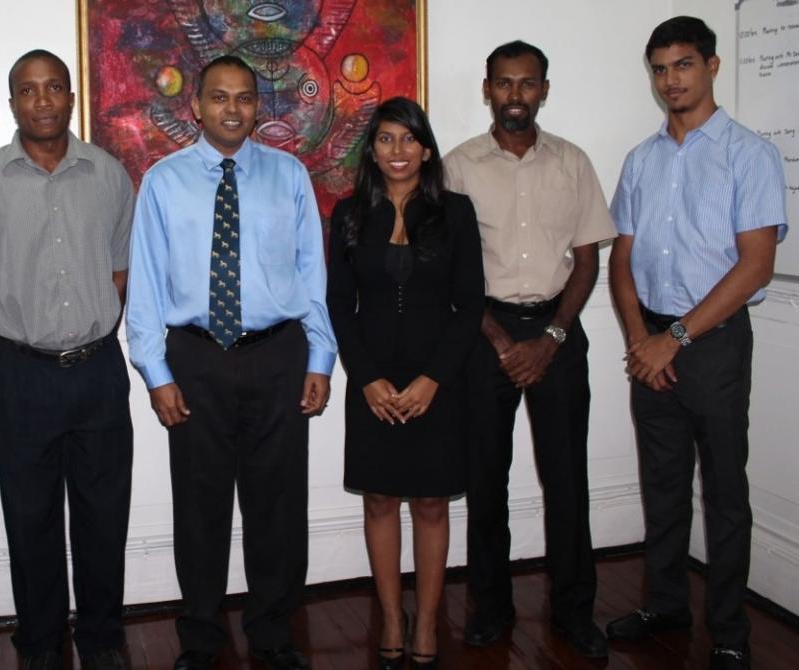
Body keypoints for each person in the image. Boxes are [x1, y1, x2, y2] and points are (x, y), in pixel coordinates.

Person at [125, 55, 337, 670]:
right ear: (197, 105)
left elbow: (311, 275)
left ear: (258, 106)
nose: (233, 109)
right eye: (219, 97)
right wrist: (156, 372)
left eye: (245, 98)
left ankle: (272, 634)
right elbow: (145, 287)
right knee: (200, 507)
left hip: (277, 355)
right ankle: (200, 639)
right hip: (194, 358)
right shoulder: (163, 182)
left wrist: (320, 357)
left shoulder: (289, 175)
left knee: (277, 505)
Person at [0, 49, 134, 670]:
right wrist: (8, 340)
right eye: (29, 90)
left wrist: (92, 325)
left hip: (100, 372)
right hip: (24, 378)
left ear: (71, 98)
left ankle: (102, 639)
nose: (43, 100)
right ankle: (41, 643)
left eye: (54, 88)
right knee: (31, 518)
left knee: (104, 518)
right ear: (13, 102)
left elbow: (123, 269)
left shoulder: (109, 175)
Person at [607, 17, 787, 670]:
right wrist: (640, 339)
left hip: (711, 342)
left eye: (683, 65)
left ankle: (731, 630)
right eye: (659, 68)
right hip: (650, 336)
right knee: (661, 484)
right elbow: (620, 260)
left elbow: (755, 265)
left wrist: (675, 338)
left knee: (723, 491)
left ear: (712, 66)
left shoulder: (750, 154)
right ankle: (665, 603)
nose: (670, 80)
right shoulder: (641, 159)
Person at [443, 40, 615, 659]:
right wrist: (498, 340)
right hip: (482, 337)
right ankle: (490, 608)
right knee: (486, 479)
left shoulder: (573, 162)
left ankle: (573, 611)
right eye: (504, 84)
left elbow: (590, 259)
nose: (516, 95)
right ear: (487, 89)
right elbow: (450, 269)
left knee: (568, 480)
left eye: (528, 84)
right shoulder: (458, 166)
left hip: (558, 333)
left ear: (544, 89)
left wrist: (551, 338)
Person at [327, 97, 484, 669]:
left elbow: (469, 306)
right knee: (378, 499)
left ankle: (427, 621)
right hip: (371, 382)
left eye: (409, 139)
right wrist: (366, 379)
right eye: (387, 139)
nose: (398, 150)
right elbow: (339, 306)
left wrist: (432, 379)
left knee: (432, 504)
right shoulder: (347, 214)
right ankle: (392, 616)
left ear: (426, 148)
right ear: (373, 149)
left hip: (436, 384)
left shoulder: (457, 212)